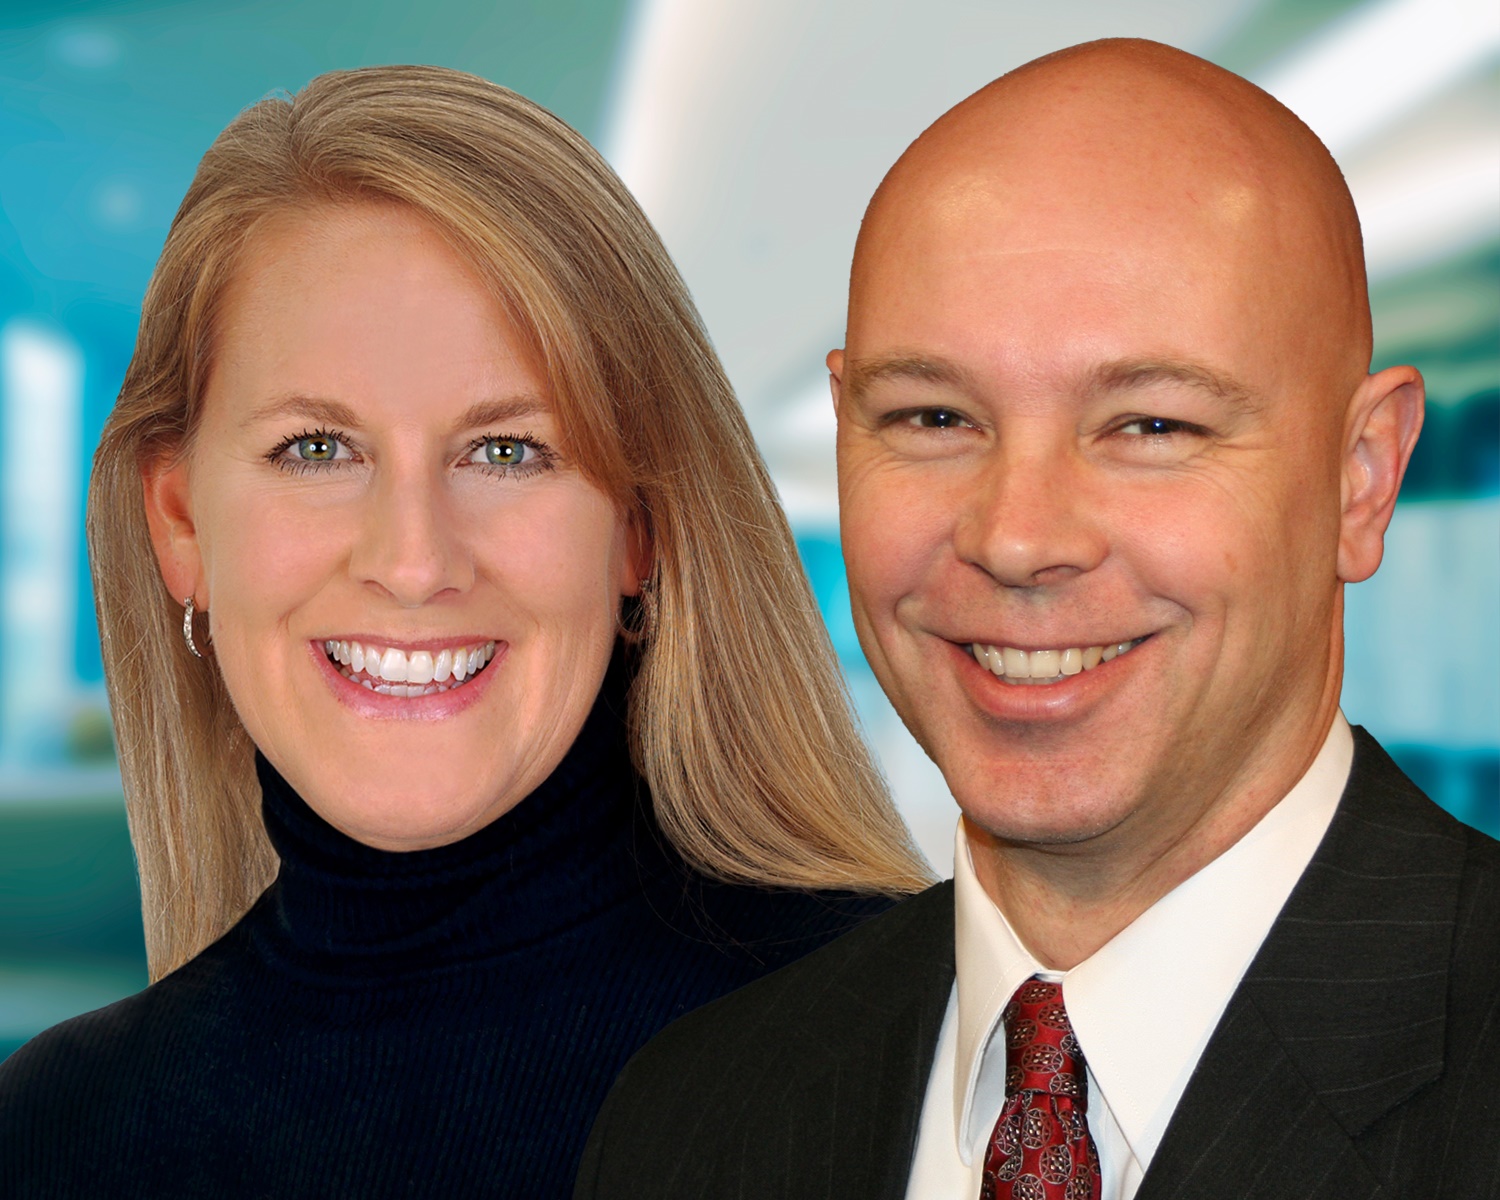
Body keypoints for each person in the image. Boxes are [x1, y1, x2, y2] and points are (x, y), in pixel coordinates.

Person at [575, 38, 1500, 1200]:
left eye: (1151, 426)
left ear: (1361, 479)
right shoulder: (691, 1117)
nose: (1016, 538)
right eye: (933, 418)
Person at [0, 65, 931, 1198]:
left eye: (506, 452)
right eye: (316, 449)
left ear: (638, 528)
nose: (412, 561)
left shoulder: (932, 1062)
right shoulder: (55, 1131)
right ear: (180, 522)